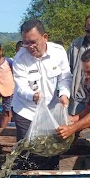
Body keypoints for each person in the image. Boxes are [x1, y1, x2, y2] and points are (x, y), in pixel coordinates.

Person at [12, 19, 72, 169]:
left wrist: (64, 94)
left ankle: (50, 177)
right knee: (28, 148)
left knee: (52, 146)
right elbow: (20, 87)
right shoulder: (20, 59)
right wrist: (33, 95)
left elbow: (65, 77)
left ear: (45, 37)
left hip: (50, 109)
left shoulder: (58, 52)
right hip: (26, 109)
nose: (30, 47)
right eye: (26, 43)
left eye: (33, 42)